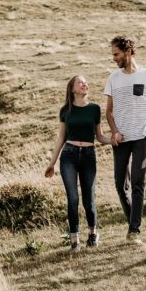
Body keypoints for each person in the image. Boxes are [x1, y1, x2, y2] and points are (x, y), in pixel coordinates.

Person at [105, 35, 146, 241]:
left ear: (128, 52)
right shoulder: (113, 78)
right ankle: (133, 220)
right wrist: (114, 132)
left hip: (142, 135)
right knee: (120, 184)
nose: (114, 58)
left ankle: (134, 229)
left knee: (138, 181)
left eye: (116, 54)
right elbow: (109, 112)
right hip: (121, 138)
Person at [44, 75, 110, 251]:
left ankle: (93, 234)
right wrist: (52, 163)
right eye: (80, 82)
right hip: (69, 156)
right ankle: (74, 240)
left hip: (89, 155)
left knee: (89, 199)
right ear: (72, 88)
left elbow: (100, 136)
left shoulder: (94, 109)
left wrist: (113, 140)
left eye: (86, 82)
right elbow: (61, 138)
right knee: (72, 199)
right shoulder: (66, 110)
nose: (85, 84)